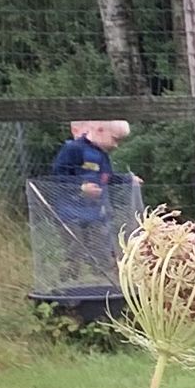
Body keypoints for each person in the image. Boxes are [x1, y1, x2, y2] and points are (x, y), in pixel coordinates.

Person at [47, 120, 131, 282]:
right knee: (74, 249)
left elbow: (107, 178)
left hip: (95, 214)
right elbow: (57, 177)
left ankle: (105, 285)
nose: (116, 145)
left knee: (102, 248)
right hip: (69, 213)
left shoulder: (102, 155)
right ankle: (68, 286)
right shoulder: (74, 149)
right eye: (115, 139)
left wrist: (127, 179)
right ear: (100, 130)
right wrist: (80, 187)